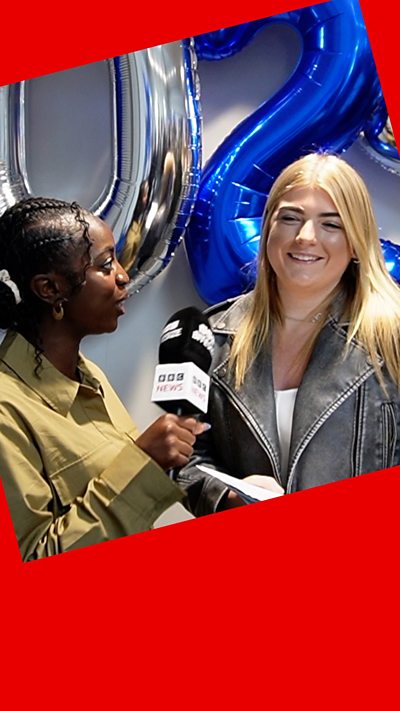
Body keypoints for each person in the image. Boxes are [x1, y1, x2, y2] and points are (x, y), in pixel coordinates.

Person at [176, 152, 400, 517]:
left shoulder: (392, 334)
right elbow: (186, 459)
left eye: (331, 224)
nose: (305, 237)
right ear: (268, 230)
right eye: (290, 218)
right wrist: (228, 498)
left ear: (357, 242)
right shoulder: (209, 335)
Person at [0, 197, 205, 560]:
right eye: (106, 264)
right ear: (50, 289)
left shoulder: (86, 373)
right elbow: (32, 559)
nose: (124, 275)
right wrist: (144, 464)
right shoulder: (6, 411)